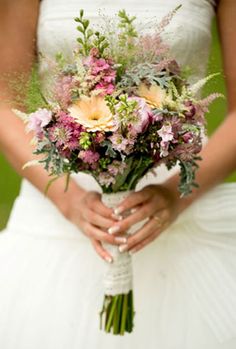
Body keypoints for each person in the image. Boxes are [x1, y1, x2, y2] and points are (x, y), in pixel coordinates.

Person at [0, 0, 236, 348]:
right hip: (57, 212)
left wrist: (175, 196)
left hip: (185, 202)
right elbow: (5, 100)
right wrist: (69, 200)